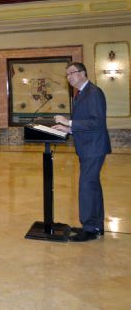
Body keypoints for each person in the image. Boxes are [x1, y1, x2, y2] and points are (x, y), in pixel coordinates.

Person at [52, 62, 111, 242]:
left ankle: (89, 229)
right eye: (67, 74)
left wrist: (69, 122)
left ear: (83, 73)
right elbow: (86, 122)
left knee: (86, 186)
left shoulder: (93, 92)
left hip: (94, 147)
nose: (69, 77)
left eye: (72, 73)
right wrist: (68, 129)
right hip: (87, 147)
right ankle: (96, 225)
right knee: (92, 186)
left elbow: (97, 122)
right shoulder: (81, 94)